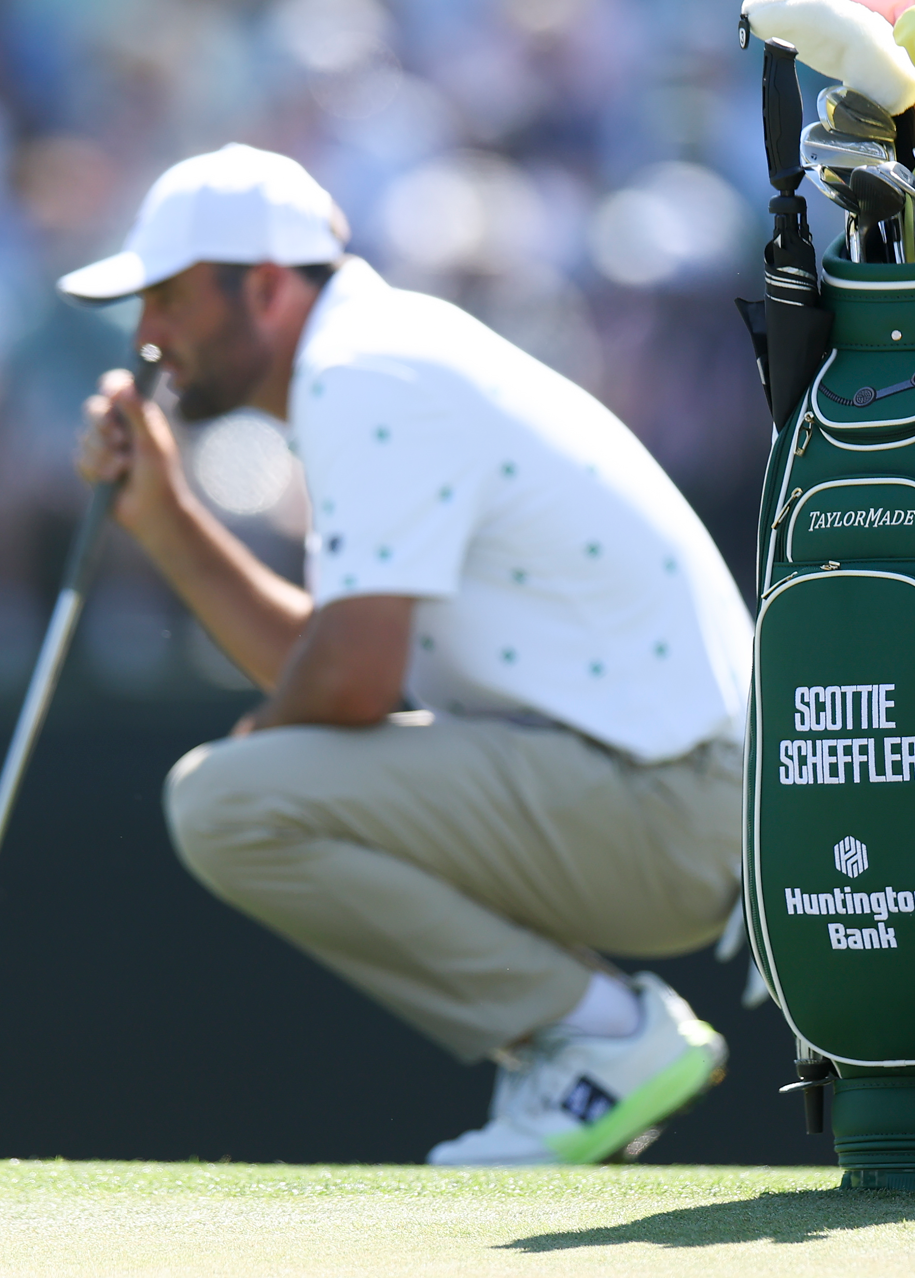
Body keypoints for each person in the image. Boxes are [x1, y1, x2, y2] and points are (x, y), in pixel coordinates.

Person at [66, 144, 752, 1164]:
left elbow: (348, 683)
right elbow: (339, 657)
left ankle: (604, 1038)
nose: (149, 337)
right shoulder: (375, 355)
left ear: (264, 286)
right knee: (246, 790)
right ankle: (591, 1038)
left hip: (677, 805)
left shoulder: (365, 372)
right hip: (671, 797)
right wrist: (165, 521)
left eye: (168, 299)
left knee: (227, 800)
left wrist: (268, 753)